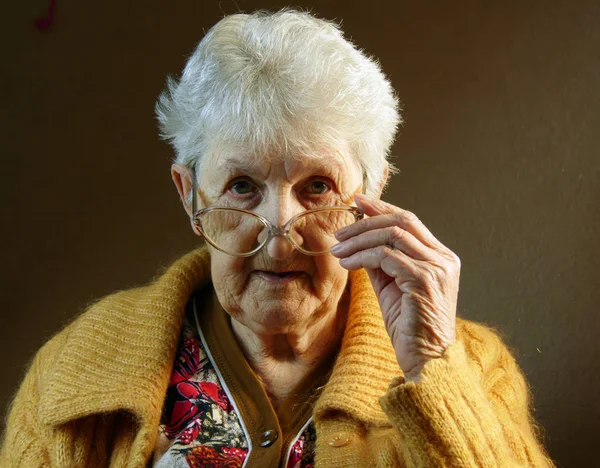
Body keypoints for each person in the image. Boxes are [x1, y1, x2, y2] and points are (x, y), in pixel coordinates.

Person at [0, 9, 554, 468]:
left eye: (317, 186)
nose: (281, 240)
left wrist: (434, 369)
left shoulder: (470, 365)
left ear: (373, 191)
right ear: (190, 195)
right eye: (242, 185)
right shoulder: (73, 373)